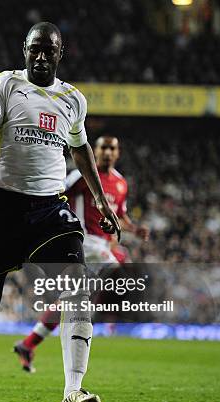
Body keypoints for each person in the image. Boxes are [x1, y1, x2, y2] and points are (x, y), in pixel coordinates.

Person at [0, 22, 120, 402]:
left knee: (77, 288)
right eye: (34, 49)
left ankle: (73, 391)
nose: (40, 56)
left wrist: (101, 200)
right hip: (2, 207)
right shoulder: (6, 85)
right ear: (24, 49)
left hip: (51, 208)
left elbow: (80, 147)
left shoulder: (73, 99)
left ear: (59, 53)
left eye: (48, 50)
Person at [15, 135, 150, 373]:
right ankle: (103, 318)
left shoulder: (120, 184)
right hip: (80, 239)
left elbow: (119, 215)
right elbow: (55, 194)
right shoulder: (81, 175)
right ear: (94, 151)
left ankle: (28, 344)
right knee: (118, 265)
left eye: (112, 149)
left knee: (70, 300)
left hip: (100, 244)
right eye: (103, 148)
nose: (107, 152)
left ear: (117, 154)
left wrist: (134, 229)